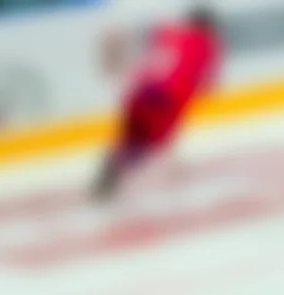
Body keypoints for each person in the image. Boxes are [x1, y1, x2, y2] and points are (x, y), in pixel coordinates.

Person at [93, 6, 222, 202]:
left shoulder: (172, 32)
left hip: (141, 91)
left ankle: (110, 172)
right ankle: (112, 174)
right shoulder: (207, 44)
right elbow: (207, 84)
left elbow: (147, 35)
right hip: (165, 100)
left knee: (132, 137)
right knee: (149, 142)